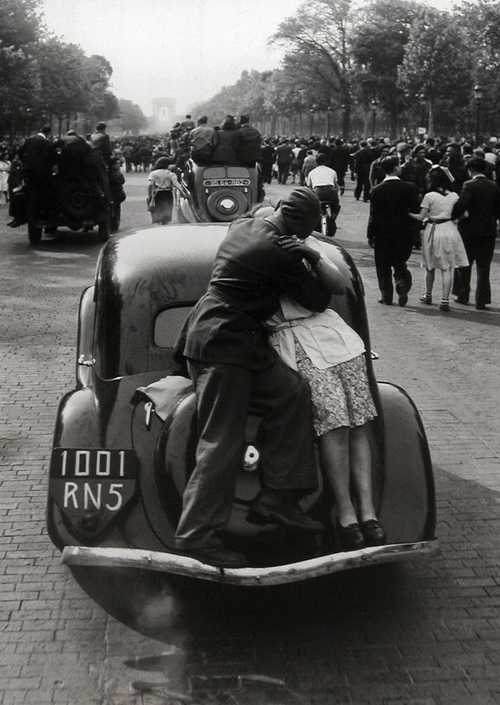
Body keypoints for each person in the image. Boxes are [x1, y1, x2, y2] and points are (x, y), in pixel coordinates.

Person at [173, 188, 334, 567]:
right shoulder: (282, 251)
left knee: (291, 392)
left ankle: (277, 497)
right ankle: (195, 535)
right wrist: (309, 254)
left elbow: (261, 216)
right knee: (220, 442)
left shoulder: (243, 225)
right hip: (225, 347)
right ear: (299, 229)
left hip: (223, 337)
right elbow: (317, 298)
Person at [266, 245, 384, 552]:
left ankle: (368, 510)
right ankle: (345, 511)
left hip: (336, 337)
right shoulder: (254, 261)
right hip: (293, 340)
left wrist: (312, 254)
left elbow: (337, 285)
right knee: (334, 423)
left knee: (359, 422)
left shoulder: (304, 254)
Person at [412, 166, 469, 311]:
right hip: (450, 229)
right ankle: (445, 300)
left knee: (429, 266)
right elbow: (464, 215)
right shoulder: (454, 195)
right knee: (447, 267)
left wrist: (407, 213)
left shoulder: (429, 196)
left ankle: (428, 295)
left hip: (433, 229)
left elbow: (421, 217)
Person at [367, 156, 420, 306]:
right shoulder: (410, 188)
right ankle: (402, 283)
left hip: (382, 234)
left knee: (382, 266)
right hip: (404, 234)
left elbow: (373, 215)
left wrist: (370, 234)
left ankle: (386, 295)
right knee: (400, 262)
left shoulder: (376, 191)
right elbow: (416, 211)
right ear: (396, 168)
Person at [451, 157, 500, 309]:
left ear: (470, 170)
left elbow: (461, 206)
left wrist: (455, 215)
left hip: (468, 231)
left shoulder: (468, 185)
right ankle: (482, 299)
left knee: (465, 264)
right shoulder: (494, 186)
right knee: (484, 267)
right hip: (488, 231)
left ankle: (462, 294)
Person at [19, 124, 55, 227]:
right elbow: (52, 157)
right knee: (44, 194)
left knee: (30, 193)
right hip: (42, 174)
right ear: (48, 133)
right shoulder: (46, 142)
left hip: (28, 172)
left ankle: (31, 216)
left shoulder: (29, 140)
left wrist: (26, 164)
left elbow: (20, 152)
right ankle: (43, 214)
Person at [305, 153, 341, 235]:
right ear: (326, 161)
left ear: (316, 162)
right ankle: (332, 220)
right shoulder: (332, 171)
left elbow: (309, 186)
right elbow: (336, 185)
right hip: (331, 192)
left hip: (318, 192)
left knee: (314, 208)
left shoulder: (312, 172)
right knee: (336, 206)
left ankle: (316, 224)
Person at [147, 157, 180, 224]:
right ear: (167, 165)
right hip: (168, 193)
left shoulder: (153, 173)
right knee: (167, 211)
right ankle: (165, 223)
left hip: (157, 194)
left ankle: (158, 224)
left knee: (158, 210)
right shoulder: (171, 174)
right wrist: (185, 194)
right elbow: (177, 185)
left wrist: (150, 195)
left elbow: (150, 185)